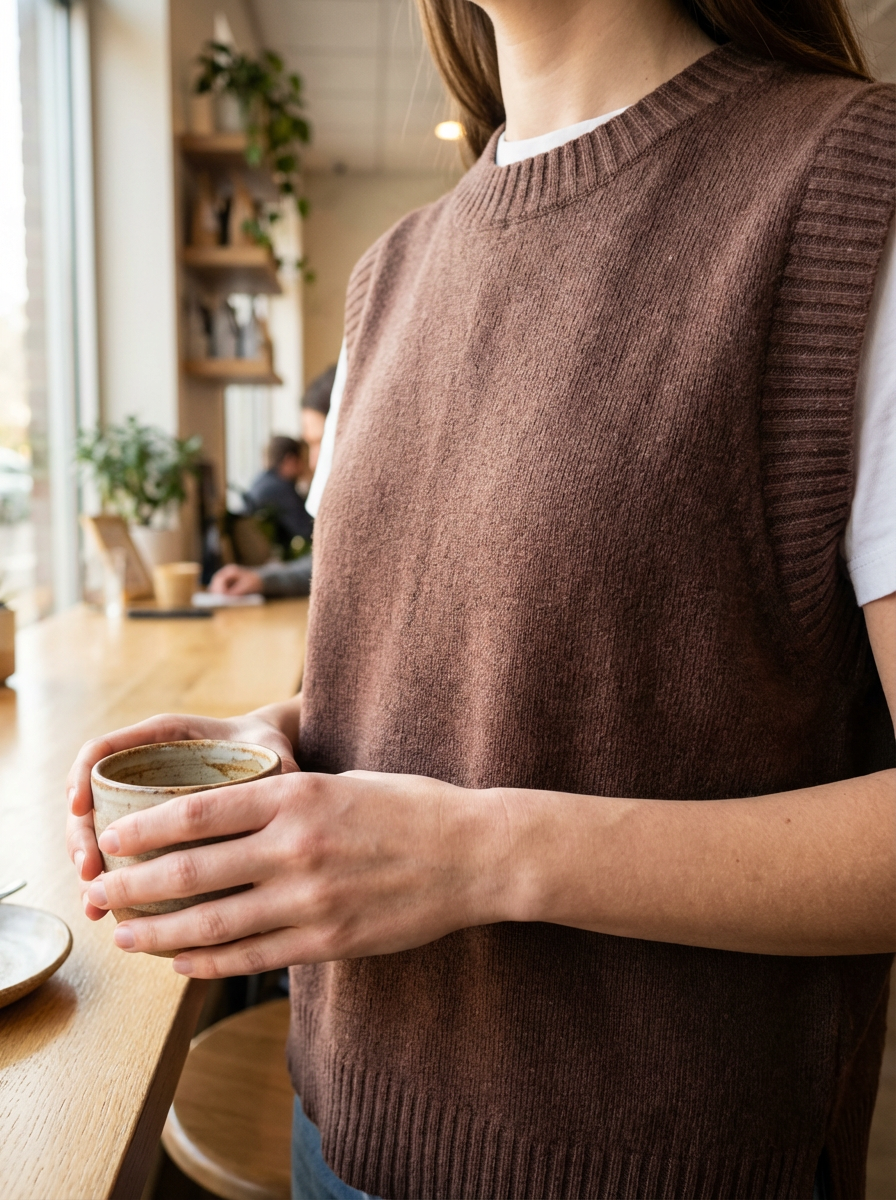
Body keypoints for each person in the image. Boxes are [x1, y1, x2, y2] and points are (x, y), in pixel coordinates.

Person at [66, 3, 895, 1199]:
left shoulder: (844, 195)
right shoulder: (385, 278)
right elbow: (430, 661)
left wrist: (481, 856)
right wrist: (278, 742)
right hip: (336, 1130)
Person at [211, 365, 339, 598]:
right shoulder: (278, 488)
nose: (312, 461)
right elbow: (328, 560)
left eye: (319, 442)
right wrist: (262, 578)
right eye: (309, 445)